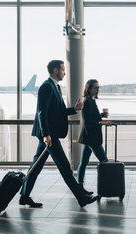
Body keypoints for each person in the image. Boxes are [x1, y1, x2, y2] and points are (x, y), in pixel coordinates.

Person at [19, 60, 100, 208]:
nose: (65, 72)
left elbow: (56, 111)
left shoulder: (54, 87)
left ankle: (24, 196)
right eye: (63, 70)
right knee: (64, 166)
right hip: (49, 135)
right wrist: (46, 134)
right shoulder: (47, 87)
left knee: (36, 166)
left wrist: (73, 109)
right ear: (55, 71)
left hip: (49, 133)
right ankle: (81, 197)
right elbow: (41, 113)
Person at [77, 79, 111, 194]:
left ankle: (80, 187)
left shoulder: (91, 101)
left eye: (98, 87)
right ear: (89, 88)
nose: (98, 90)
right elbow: (87, 121)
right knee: (104, 161)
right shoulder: (87, 102)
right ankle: (107, 187)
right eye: (95, 87)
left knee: (84, 162)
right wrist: (101, 122)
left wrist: (101, 116)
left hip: (88, 137)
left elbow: (92, 117)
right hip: (91, 138)